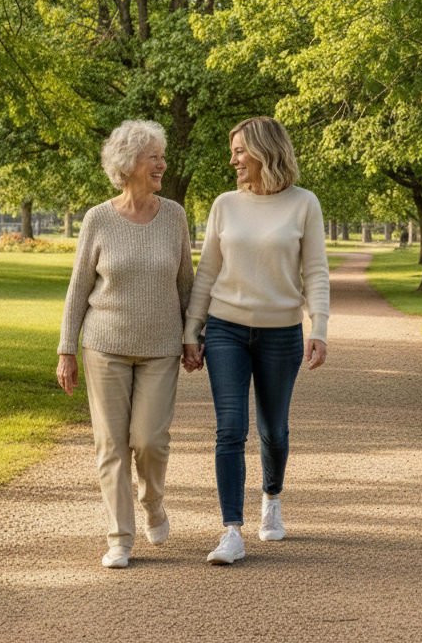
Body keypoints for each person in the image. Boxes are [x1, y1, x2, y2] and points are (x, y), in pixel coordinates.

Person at [182, 116, 330, 565]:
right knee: (231, 428)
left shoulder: (304, 204)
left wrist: (318, 327)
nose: (234, 160)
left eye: (240, 151)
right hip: (225, 326)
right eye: (233, 151)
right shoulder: (224, 204)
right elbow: (206, 272)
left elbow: (316, 272)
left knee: (274, 430)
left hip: (281, 331)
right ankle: (231, 530)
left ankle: (272, 497)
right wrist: (192, 329)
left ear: (266, 151)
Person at [57, 119, 194, 569]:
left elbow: (186, 284)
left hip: (160, 348)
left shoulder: (174, 215)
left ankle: (152, 502)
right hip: (104, 346)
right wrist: (67, 349)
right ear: (128, 163)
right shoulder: (98, 219)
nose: (162, 164)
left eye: (161, 156)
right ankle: (120, 537)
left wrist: (194, 336)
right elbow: (78, 289)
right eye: (153, 156)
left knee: (150, 440)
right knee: (111, 445)